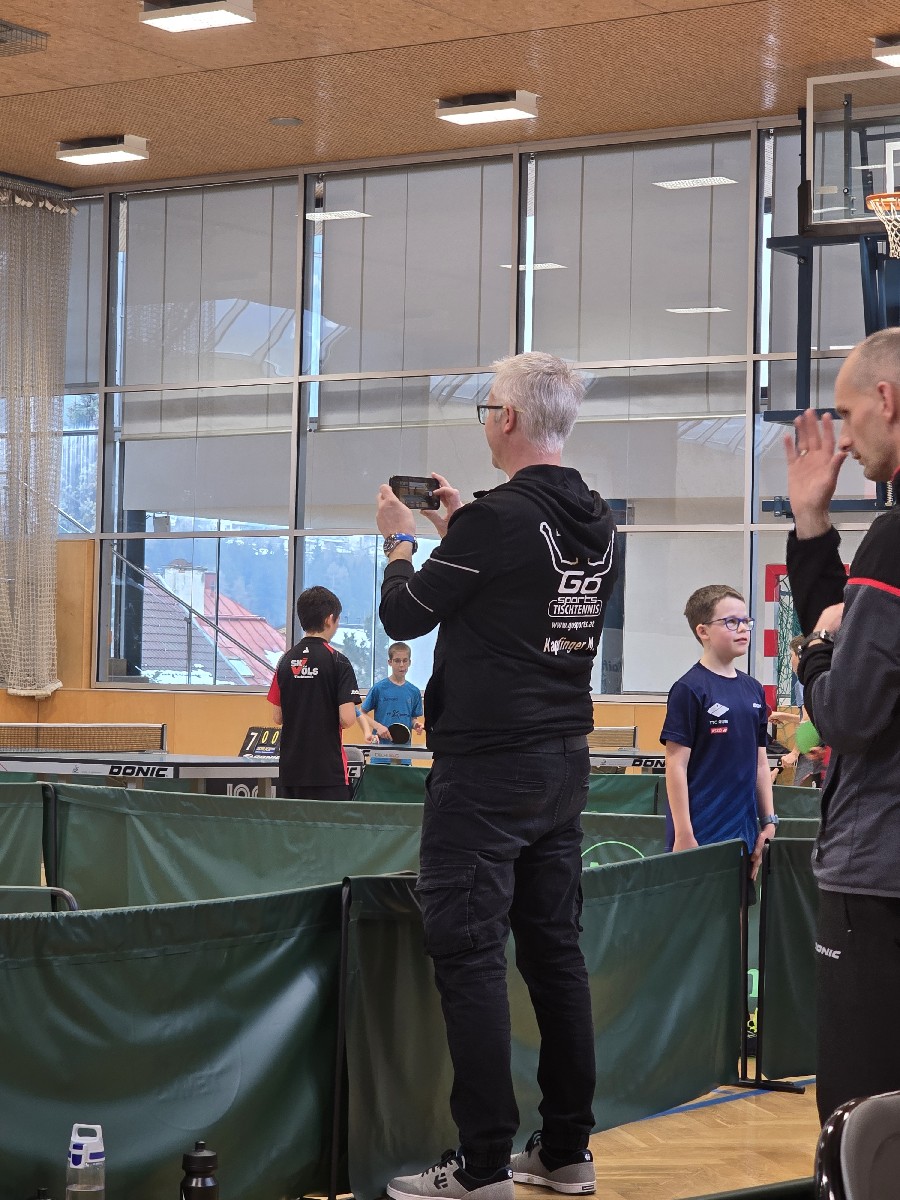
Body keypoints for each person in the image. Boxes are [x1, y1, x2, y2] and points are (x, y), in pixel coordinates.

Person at [374, 351, 619, 1200]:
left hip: (487, 770)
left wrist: (400, 546)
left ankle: (481, 1167)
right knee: (555, 955)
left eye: (486, 407)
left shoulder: (496, 521)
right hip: (563, 762)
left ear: (507, 419)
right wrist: (459, 535)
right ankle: (567, 1149)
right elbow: (518, 592)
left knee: (470, 955)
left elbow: (404, 614)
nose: (485, 418)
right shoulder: (596, 520)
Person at [783, 327, 900, 1124]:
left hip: (879, 879)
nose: (846, 439)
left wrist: (815, 656)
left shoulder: (893, 539)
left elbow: (851, 714)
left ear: (887, 400)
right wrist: (812, 524)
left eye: (850, 415)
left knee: (863, 1118)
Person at [660, 585, 777, 878]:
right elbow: (675, 765)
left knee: (738, 906)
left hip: (744, 834)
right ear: (703, 631)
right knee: (696, 906)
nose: (743, 629)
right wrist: (683, 834)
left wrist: (768, 821)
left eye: (746, 621)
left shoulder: (754, 689)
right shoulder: (689, 689)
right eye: (731, 622)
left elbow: (760, 764)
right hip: (699, 833)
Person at [267, 585, 360, 800]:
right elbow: (347, 719)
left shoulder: (285, 661)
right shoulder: (339, 661)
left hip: (291, 772)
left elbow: (277, 717)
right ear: (329, 619)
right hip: (328, 773)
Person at [358, 642, 425, 763]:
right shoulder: (379, 688)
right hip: (380, 755)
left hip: (404, 756)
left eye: (405, 661)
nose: (401, 665)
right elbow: (361, 713)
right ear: (390, 662)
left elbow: (412, 718)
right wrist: (378, 727)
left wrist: (416, 725)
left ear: (409, 662)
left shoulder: (414, 691)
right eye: (397, 661)